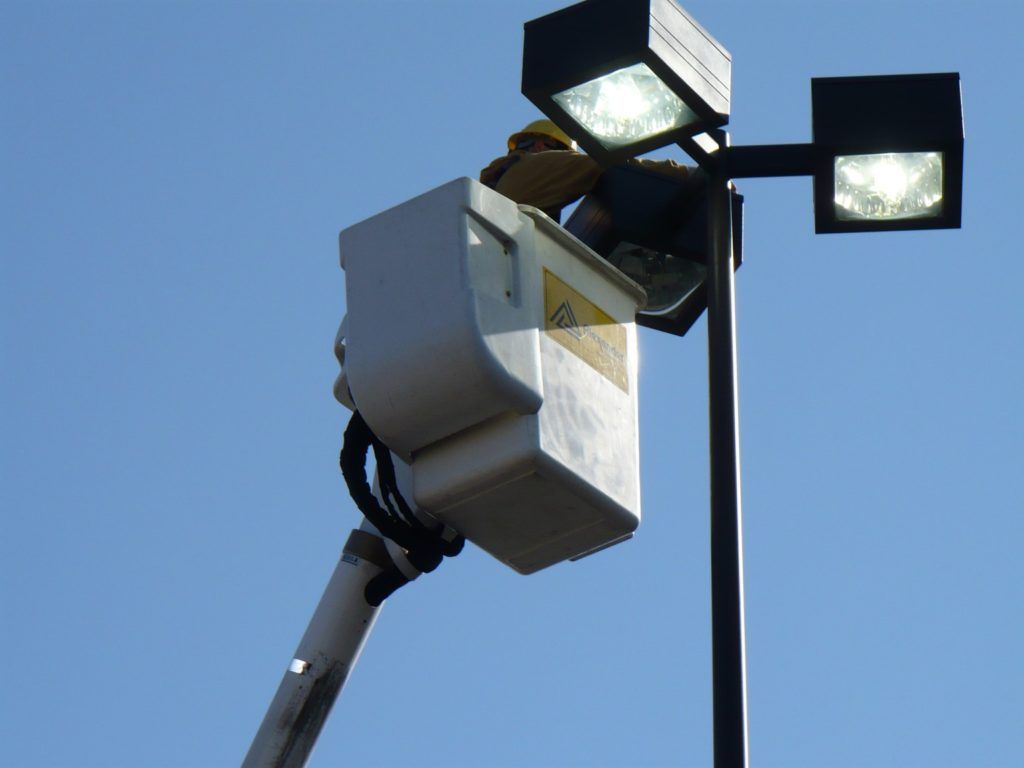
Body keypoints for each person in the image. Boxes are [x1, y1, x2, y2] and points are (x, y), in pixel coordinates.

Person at [480, 118, 702, 223]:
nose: (565, 157)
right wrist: (689, 175)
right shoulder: (540, 166)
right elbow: (607, 164)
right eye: (562, 151)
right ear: (540, 146)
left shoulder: (497, 182)